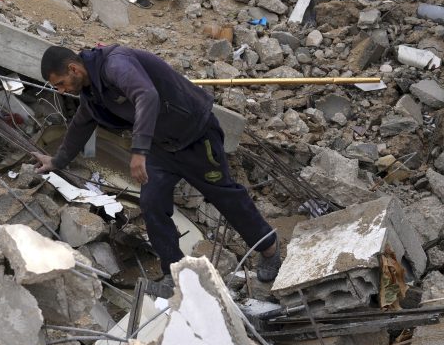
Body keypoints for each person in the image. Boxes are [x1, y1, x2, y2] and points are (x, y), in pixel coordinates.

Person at [33, 44, 283, 286]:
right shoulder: (91, 92)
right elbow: (81, 125)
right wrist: (57, 161)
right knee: (152, 202)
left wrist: (139, 150)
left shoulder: (115, 63)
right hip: (160, 147)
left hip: (196, 137)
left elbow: (146, 95)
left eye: (61, 84)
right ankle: (173, 273)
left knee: (224, 195)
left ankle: (269, 248)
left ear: (74, 69)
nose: (62, 91)